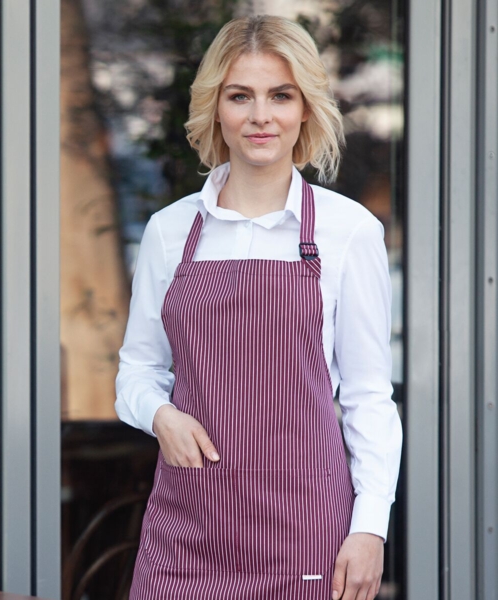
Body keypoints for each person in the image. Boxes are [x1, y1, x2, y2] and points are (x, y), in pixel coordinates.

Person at [115, 14, 402, 600]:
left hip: (309, 535)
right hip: (186, 537)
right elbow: (137, 372)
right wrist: (160, 416)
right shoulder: (170, 232)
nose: (260, 116)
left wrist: (370, 528)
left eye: (280, 96)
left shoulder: (349, 233)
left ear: (305, 109)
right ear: (216, 108)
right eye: (240, 96)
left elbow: (370, 396)